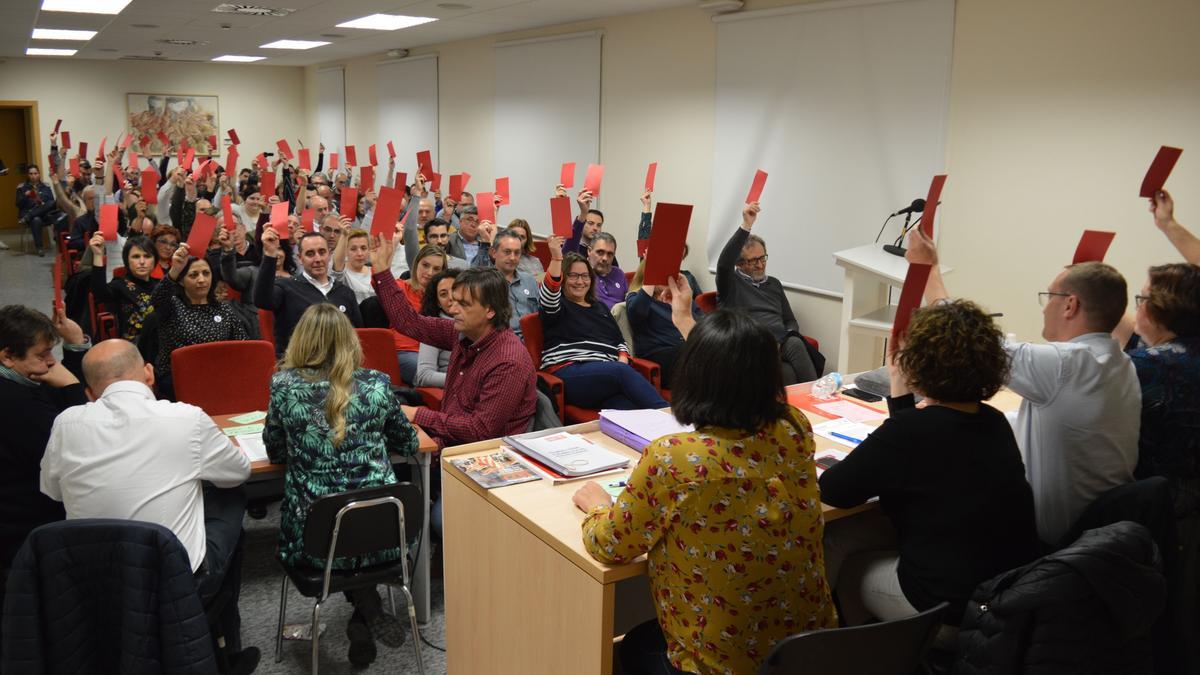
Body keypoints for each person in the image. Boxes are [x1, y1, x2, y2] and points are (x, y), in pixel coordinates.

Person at [573, 308, 837, 675]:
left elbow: (611, 545)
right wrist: (685, 320)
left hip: (719, 662)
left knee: (635, 647)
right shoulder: (794, 428)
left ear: (693, 376)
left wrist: (598, 508)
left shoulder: (676, 458)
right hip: (806, 652)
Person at [907, 229, 1141, 545]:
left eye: (1049, 297)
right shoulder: (1122, 364)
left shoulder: (1064, 365)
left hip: (1047, 550)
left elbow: (961, 335)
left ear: (1070, 305)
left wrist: (929, 269)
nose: (1044, 308)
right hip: (1099, 543)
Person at [39, 339, 257, 672]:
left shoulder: (65, 423)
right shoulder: (186, 418)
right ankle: (225, 644)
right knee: (229, 497)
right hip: (174, 579)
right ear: (150, 374)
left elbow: (53, 492)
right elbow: (237, 473)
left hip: (94, 581)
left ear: (90, 393)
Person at [820, 300, 1040, 625]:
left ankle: (865, 654)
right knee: (857, 532)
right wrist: (900, 393)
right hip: (1002, 596)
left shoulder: (910, 432)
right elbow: (920, 449)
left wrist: (900, 391)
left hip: (946, 610)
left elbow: (834, 491)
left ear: (920, 362)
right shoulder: (993, 422)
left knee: (843, 556)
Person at [264, 304, 418, 667]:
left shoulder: (284, 388)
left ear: (300, 341)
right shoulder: (377, 384)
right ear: (350, 340)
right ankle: (367, 609)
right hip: (385, 538)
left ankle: (366, 607)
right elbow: (409, 445)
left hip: (315, 543)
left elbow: (275, 450)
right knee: (355, 526)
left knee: (338, 529)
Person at [369, 237, 537, 534]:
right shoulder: (462, 334)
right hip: (452, 446)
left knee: (438, 522)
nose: (453, 309)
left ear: (489, 312)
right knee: (382, 470)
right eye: (454, 301)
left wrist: (418, 415)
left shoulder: (508, 360)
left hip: (490, 457)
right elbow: (410, 322)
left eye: (463, 304)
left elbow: (480, 430)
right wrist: (382, 271)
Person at [0, 306, 88, 603]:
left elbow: (52, 397)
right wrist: (74, 386)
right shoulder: (16, 404)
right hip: (27, 531)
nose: (51, 363)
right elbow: (75, 441)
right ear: (8, 356)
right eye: (42, 355)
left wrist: (74, 345)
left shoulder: (18, 384)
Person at [540, 236, 668, 411]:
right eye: (573, 276)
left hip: (605, 377)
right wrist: (556, 258)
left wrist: (622, 359)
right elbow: (550, 290)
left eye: (585, 276)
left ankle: (665, 436)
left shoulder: (599, 307)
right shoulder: (556, 306)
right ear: (563, 278)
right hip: (570, 373)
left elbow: (619, 340)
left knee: (634, 410)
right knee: (620, 373)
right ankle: (670, 417)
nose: (580, 281)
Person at [716, 203, 820, 385]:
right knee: (788, 374)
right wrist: (746, 225)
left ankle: (816, 402)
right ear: (739, 263)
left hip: (781, 344)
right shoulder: (731, 283)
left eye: (762, 258)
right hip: (749, 347)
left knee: (795, 345)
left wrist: (788, 335)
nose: (761, 264)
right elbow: (724, 264)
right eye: (753, 260)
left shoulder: (774, 284)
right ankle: (813, 400)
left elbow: (790, 320)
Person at [150, 242, 250, 399]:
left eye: (206, 273)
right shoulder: (171, 306)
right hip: (179, 378)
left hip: (218, 376)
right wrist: (175, 269)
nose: (202, 280)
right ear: (181, 280)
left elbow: (242, 346)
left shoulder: (223, 309)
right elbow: (157, 298)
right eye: (193, 275)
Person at [253, 228, 362, 354]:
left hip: (340, 365)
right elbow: (262, 300)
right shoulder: (285, 287)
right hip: (298, 366)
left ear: (329, 254)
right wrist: (270, 254)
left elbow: (358, 335)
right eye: (310, 254)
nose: (317, 259)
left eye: (322, 252)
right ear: (300, 258)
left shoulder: (345, 292)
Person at [625, 260, 702, 389]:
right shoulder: (635, 297)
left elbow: (703, 323)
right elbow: (637, 312)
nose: (666, 279)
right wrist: (650, 277)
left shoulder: (678, 298)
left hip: (687, 351)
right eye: (661, 274)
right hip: (661, 356)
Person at [390, 244, 447, 384]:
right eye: (425, 265)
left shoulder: (443, 297)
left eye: (436, 269)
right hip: (405, 351)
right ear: (416, 264)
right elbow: (379, 278)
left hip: (436, 355)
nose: (429, 272)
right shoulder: (399, 288)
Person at [87, 232, 159, 341]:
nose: (142, 262)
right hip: (135, 346)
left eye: (147, 256)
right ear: (127, 261)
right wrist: (98, 255)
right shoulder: (120, 285)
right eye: (136, 257)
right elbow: (99, 292)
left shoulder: (161, 284)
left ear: (154, 260)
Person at [480, 227, 539, 336]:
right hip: (502, 343)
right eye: (507, 252)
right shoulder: (485, 282)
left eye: (517, 253)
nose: (512, 257)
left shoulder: (529, 280)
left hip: (533, 341)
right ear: (493, 253)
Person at [414, 268, 461, 388]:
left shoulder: (479, 321)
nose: (451, 297)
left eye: (455, 290)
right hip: (454, 391)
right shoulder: (433, 327)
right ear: (438, 303)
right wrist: (464, 380)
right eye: (443, 294)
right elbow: (423, 375)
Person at [16, 164, 57, 256]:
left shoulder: (45, 186)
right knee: (36, 219)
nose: (33, 176)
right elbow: (18, 204)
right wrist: (25, 196)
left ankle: (28, 217)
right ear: (28, 175)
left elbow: (51, 201)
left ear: (39, 174)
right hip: (28, 212)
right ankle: (39, 248)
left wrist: (41, 201)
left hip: (44, 214)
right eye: (31, 174)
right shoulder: (21, 187)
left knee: (52, 203)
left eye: (35, 173)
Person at [331, 228, 376, 304]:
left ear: (369, 250)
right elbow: (337, 263)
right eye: (353, 249)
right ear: (345, 251)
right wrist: (344, 235)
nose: (359, 253)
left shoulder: (375, 272)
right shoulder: (342, 273)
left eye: (363, 248)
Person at [587, 232, 627, 309]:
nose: (605, 258)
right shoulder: (583, 274)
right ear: (589, 251)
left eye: (610, 254)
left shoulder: (619, 273)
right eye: (600, 252)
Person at [564, 187, 604, 257]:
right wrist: (584, 212)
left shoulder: (604, 251)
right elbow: (568, 254)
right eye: (590, 223)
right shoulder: (573, 246)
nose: (595, 228)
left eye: (599, 225)